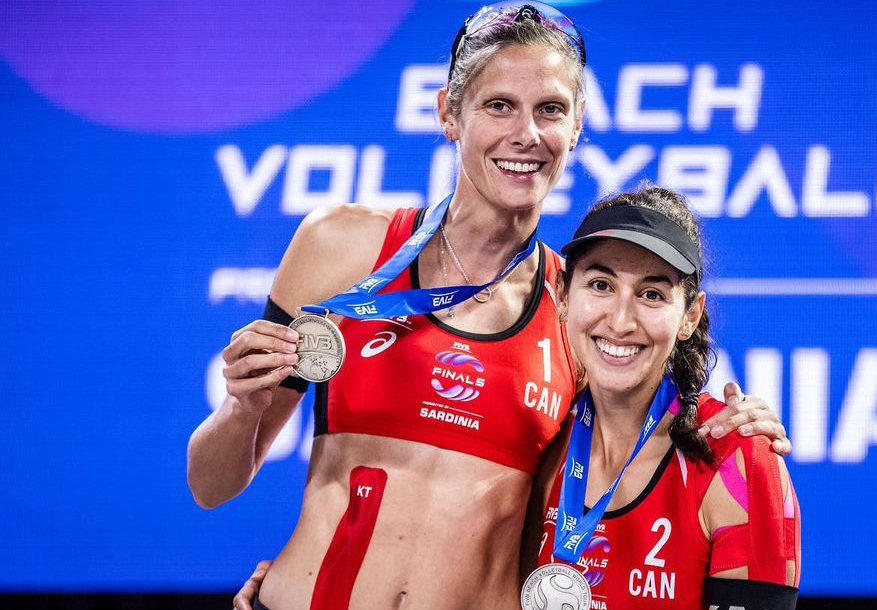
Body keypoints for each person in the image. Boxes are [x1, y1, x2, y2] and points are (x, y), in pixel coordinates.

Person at [186, 4, 789, 610]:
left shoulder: (578, 310)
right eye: (499, 105)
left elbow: (639, 456)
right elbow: (210, 487)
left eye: (550, 109)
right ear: (449, 112)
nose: (525, 133)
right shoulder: (342, 248)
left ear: (576, 126)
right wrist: (241, 409)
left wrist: (733, 423)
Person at [521, 184, 800, 609]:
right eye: (600, 285)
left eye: (651, 294)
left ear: (690, 316)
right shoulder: (541, 441)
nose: (619, 320)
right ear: (562, 295)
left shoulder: (740, 462)